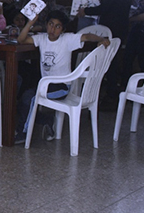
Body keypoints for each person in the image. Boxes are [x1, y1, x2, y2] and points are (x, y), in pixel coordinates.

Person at [15, 10, 110, 143]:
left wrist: (101, 39)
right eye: (50, 24)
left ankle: (22, 133)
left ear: (63, 29)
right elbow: (21, 40)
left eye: (57, 26)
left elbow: (87, 37)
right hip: (45, 84)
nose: (52, 29)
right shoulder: (41, 38)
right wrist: (30, 22)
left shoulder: (67, 39)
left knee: (30, 98)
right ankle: (47, 120)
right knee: (22, 102)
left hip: (62, 86)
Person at [77, 0, 133, 107]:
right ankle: (112, 95)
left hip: (112, 28)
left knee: (109, 63)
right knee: (113, 61)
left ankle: (111, 97)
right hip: (122, 26)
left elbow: (104, 8)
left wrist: (86, 11)